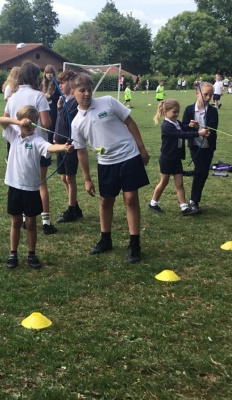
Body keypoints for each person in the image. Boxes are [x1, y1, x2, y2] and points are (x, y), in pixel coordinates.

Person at [70, 73, 150, 263]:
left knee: (130, 199)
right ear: (73, 93)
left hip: (128, 155)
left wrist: (141, 148)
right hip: (106, 163)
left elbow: (129, 121)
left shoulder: (108, 102)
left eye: (89, 89)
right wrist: (87, 179)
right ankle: (105, 240)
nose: (87, 93)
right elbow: (81, 152)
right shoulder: (76, 122)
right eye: (82, 90)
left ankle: (134, 244)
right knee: (106, 201)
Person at [0, 106, 74, 269]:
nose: (28, 125)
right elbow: (2, 120)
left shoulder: (37, 140)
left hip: (32, 189)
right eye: (26, 121)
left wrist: (64, 147)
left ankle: (31, 254)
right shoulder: (14, 135)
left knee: (31, 223)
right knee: (16, 221)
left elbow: (49, 147)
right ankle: (13, 254)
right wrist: (19, 122)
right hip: (15, 186)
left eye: (32, 122)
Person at [4, 60, 56, 235]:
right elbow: (46, 123)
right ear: (35, 77)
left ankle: (27, 218)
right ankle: (45, 221)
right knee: (40, 183)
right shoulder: (39, 96)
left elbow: (5, 118)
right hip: (37, 143)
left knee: (22, 182)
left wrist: (19, 123)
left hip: (16, 143)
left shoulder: (13, 96)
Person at [149, 99, 209, 216]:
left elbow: (185, 128)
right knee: (164, 182)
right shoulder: (166, 126)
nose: (176, 114)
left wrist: (192, 126)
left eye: (178, 112)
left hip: (176, 159)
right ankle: (153, 203)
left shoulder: (176, 123)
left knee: (179, 183)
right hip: (167, 159)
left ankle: (184, 207)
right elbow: (181, 134)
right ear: (165, 112)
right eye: (174, 112)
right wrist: (198, 133)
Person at [181, 82, 218, 214]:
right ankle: (194, 201)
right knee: (200, 170)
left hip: (208, 147)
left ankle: (195, 199)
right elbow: (183, 127)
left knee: (204, 173)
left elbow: (213, 129)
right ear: (197, 94)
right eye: (205, 94)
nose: (208, 98)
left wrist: (206, 132)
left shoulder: (213, 111)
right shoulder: (189, 110)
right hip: (195, 146)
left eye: (210, 95)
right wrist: (191, 126)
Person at [54, 69, 83, 223]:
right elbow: (59, 122)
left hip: (69, 145)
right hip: (60, 143)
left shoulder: (74, 103)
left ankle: (71, 209)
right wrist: (55, 135)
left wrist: (60, 108)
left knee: (70, 177)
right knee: (63, 177)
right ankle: (75, 206)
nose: (60, 85)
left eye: (63, 83)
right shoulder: (64, 100)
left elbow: (68, 122)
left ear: (70, 84)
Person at [41, 64, 60, 143]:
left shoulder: (57, 84)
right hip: (43, 108)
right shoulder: (42, 84)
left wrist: (50, 96)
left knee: (51, 129)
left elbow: (59, 97)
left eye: (51, 72)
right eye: (47, 73)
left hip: (53, 109)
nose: (49, 74)